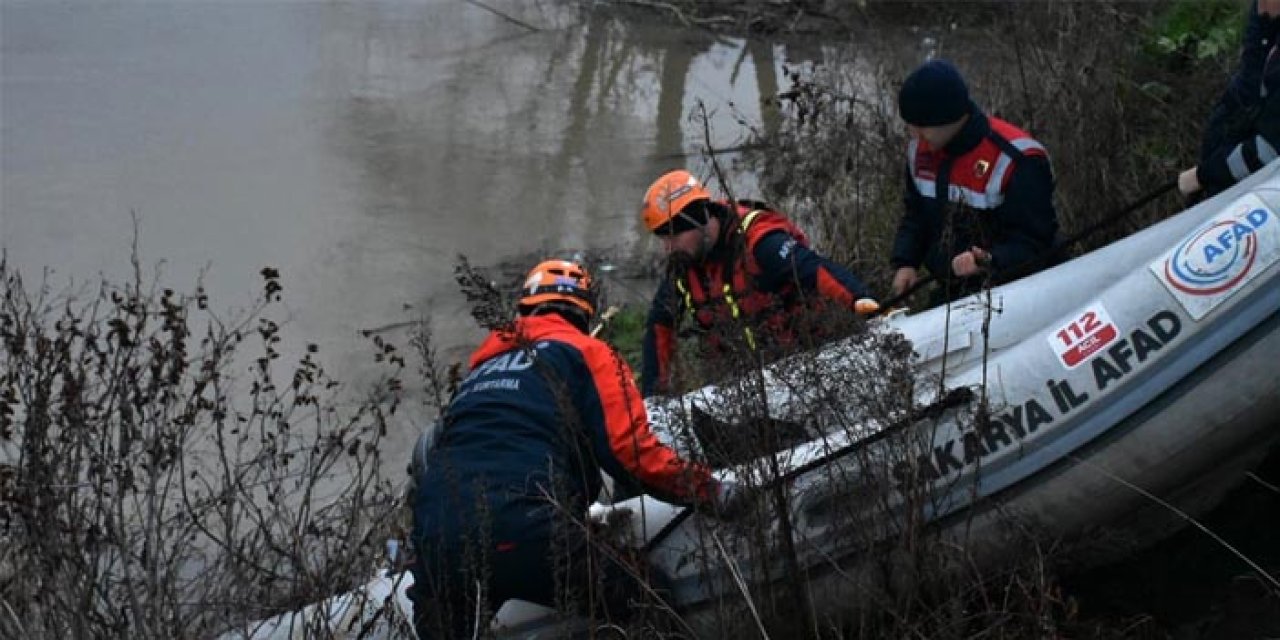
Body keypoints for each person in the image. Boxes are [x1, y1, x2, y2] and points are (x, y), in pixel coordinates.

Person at [408, 258, 748, 638]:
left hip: (435, 542)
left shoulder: (477, 375)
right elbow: (630, 454)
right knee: (649, 599)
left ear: (524, 310)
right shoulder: (589, 353)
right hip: (527, 529)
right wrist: (711, 491)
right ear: (584, 313)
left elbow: (429, 458)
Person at [638, 170, 879, 397]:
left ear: (701, 220)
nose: (668, 248)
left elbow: (816, 271)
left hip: (807, 364)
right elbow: (660, 327)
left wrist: (861, 302)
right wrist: (653, 396)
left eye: (673, 236)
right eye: (663, 239)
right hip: (742, 386)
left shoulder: (760, 242)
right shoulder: (682, 265)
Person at [889, 59, 1059, 305]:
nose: (916, 138)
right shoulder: (921, 151)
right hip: (953, 291)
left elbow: (1036, 242)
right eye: (911, 127)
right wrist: (906, 262)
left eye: (921, 128)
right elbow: (916, 216)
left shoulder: (1018, 159)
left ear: (948, 118)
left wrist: (989, 260)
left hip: (1014, 290)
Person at [1178, 0, 1280, 198]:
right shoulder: (1266, 27)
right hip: (1224, 177)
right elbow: (1246, 90)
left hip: (1254, 197)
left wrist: (1202, 176)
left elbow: (1268, 150)